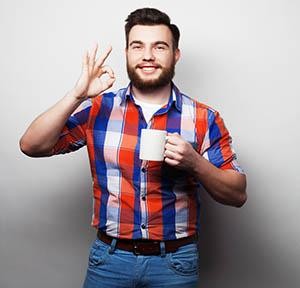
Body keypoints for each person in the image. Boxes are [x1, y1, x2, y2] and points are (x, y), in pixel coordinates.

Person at [19, 7, 247, 288]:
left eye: (159, 46)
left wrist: (195, 163)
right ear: (127, 52)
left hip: (175, 263)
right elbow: (31, 145)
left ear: (176, 54)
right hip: (109, 259)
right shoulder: (99, 108)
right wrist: (77, 95)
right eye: (137, 46)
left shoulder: (203, 118)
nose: (148, 55)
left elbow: (237, 194)